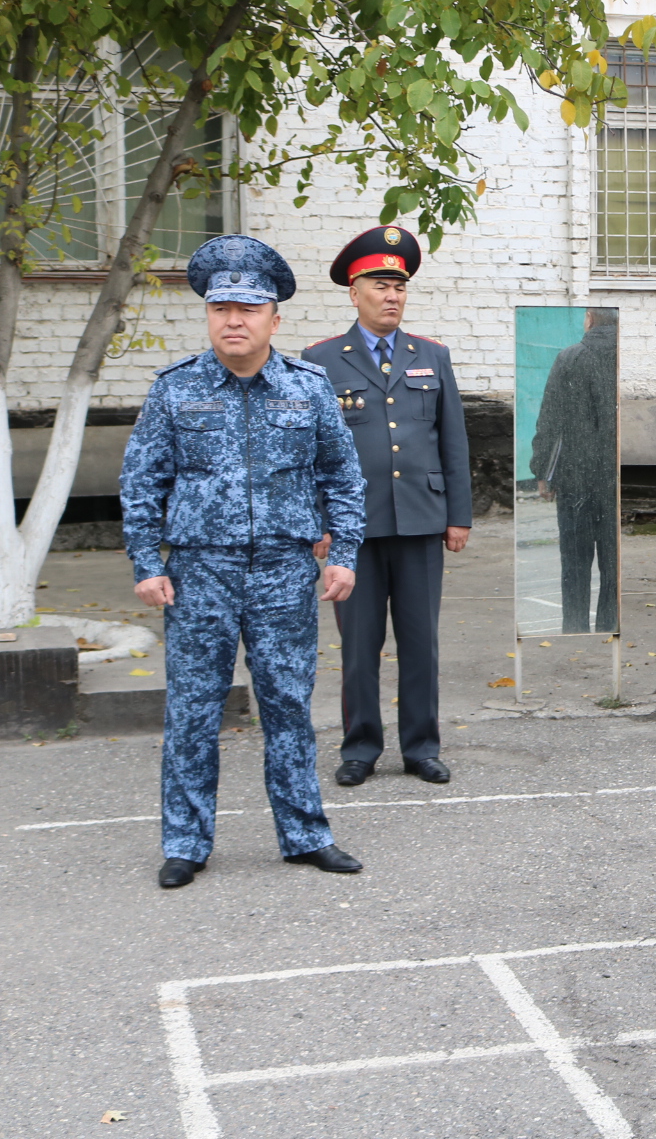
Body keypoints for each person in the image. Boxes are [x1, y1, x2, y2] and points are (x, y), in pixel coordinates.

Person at [120, 234, 367, 888]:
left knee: (288, 705)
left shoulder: (308, 389)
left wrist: (342, 551)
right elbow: (142, 480)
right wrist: (147, 562)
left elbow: (343, 475)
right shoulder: (175, 390)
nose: (233, 319)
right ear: (208, 315)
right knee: (194, 710)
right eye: (221, 307)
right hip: (199, 573)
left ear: (273, 320)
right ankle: (185, 844)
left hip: (286, 571)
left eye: (248, 309)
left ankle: (305, 834)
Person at [304, 227, 473, 788]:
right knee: (358, 645)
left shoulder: (433, 356)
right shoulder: (321, 359)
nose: (392, 295)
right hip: (352, 529)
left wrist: (459, 515)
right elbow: (311, 453)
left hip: (421, 520)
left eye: (399, 285)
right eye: (380, 285)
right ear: (354, 293)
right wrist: (320, 524)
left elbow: (453, 441)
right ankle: (360, 747)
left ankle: (421, 746)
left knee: (421, 641)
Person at [528, 310, 620, 635]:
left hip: (575, 477)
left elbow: (549, 417)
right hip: (615, 482)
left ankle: (576, 634)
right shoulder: (623, 358)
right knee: (613, 569)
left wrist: (542, 471)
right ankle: (610, 631)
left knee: (576, 566)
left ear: (590, 318)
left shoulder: (570, 358)